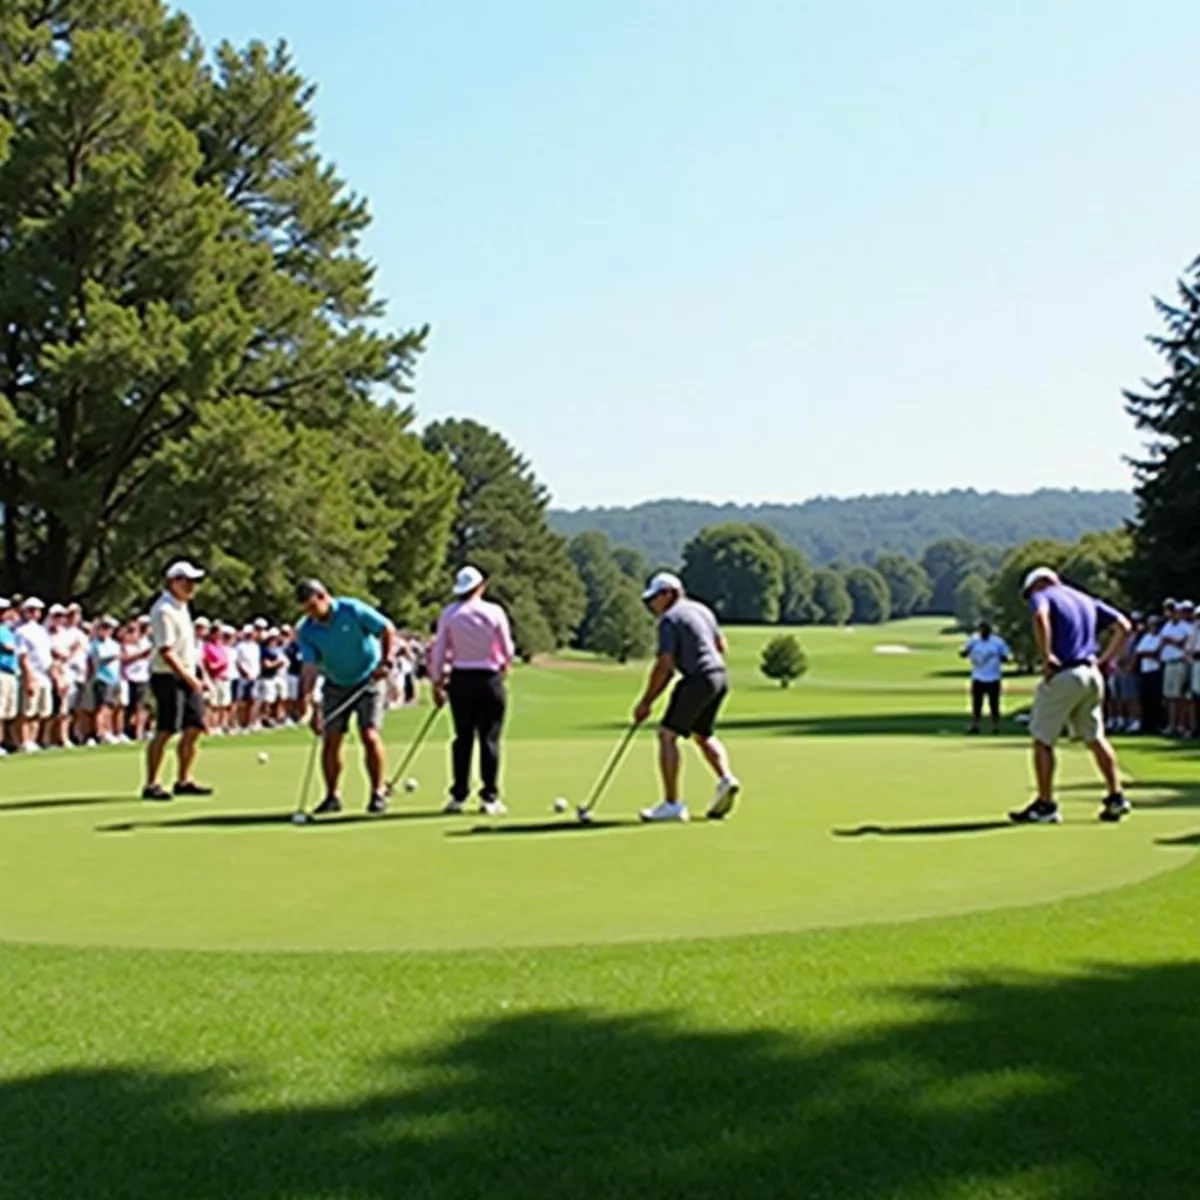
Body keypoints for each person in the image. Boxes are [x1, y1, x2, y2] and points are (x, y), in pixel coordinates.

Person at [1009, 567, 1131, 825]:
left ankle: (1046, 805)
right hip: (1091, 674)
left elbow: (1040, 618)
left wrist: (1046, 656)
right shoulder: (1085, 598)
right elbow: (1124, 627)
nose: (1031, 597)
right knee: (1095, 737)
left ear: (1040, 583)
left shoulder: (1043, 595)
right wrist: (1106, 660)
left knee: (1042, 738)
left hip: (1065, 673)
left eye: (1030, 591)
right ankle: (1116, 796)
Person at [633, 573, 740, 822]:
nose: (651, 605)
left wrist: (646, 702)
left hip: (698, 678)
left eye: (653, 599)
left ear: (668, 594)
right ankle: (726, 779)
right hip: (720, 676)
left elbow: (665, 666)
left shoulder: (669, 620)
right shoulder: (702, 610)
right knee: (702, 734)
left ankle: (672, 805)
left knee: (667, 735)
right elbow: (721, 646)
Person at [295, 579, 396, 816]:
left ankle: (378, 792)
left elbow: (386, 629)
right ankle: (332, 796)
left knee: (369, 735)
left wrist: (386, 662)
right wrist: (308, 700)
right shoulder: (306, 630)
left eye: (312, 607)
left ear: (324, 596)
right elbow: (310, 667)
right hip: (336, 683)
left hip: (368, 679)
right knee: (331, 739)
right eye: (305, 610)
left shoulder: (351, 609)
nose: (310, 614)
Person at [429, 566, 515, 817]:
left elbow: (440, 649)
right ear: (481, 587)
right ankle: (489, 797)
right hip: (489, 678)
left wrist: (437, 681)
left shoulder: (449, 613)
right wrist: (505, 664)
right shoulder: (494, 611)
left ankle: (458, 795)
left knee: (462, 738)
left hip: (460, 679)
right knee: (489, 738)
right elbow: (507, 648)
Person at [142, 561, 211, 801]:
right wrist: (189, 677)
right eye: (187, 581)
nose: (193, 586)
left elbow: (188, 648)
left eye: (195, 582)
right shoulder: (163, 610)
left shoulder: (183, 608)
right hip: (167, 677)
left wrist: (200, 674)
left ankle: (184, 779)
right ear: (173, 582)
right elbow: (166, 651)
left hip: (188, 674)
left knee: (195, 727)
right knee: (165, 729)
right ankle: (151, 783)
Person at [15, 597, 53, 752]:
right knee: (28, 710)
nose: (34, 613)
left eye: (37, 610)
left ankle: (33, 739)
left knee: (41, 711)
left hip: (45, 674)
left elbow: (47, 655)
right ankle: (25, 741)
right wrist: (28, 678)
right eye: (31, 610)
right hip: (32, 672)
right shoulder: (22, 631)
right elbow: (23, 656)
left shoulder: (42, 631)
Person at [959, 620, 1011, 734]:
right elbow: (963, 653)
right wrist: (966, 652)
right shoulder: (974, 640)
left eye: (985, 630)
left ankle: (996, 727)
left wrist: (1003, 657)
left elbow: (1007, 656)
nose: (983, 633)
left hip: (993, 677)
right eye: (981, 630)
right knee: (976, 704)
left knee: (994, 704)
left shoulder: (997, 642)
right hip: (978, 677)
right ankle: (975, 726)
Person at [87, 616, 123, 744]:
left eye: (108, 628)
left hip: (114, 678)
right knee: (102, 707)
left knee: (111, 707)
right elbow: (99, 659)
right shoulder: (95, 644)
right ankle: (100, 733)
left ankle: (108, 731)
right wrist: (114, 657)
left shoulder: (114, 644)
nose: (105, 630)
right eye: (103, 627)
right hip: (102, 677)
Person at [1158, 599, 1192, 736]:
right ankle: (1172, 725)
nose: (1171, 614)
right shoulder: (1167, 626)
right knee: (1170, 697)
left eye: (1174, 611)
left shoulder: (1186, 627)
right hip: (1168, 663)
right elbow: (1161, 643)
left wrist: (1171, 641)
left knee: (1180, 696)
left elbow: (1186, 645)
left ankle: (1181, 725)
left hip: (1180, 662)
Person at [122, 615, 153, 741]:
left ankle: (139, 732)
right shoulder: (126, 641)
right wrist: (141, 655)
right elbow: (124, 659)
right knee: (128, 707)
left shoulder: (147, 641)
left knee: (142, 706)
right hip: (129, 677)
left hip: (143, 677)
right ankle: (125, 731)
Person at [1133, 614, 1164, 735]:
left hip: (1155, 670)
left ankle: (1156, 724)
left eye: (1155, 625)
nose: (1153, 627)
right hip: (1145, 670)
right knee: (1145, 698)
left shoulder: (1160, 637)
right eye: (1151, 625)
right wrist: (1147, 653)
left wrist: (1147, 653)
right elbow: (1139, 652)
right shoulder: (1146, 637)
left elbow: (1156, 653)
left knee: (1155, 699)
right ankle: (1146, 724)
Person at [0, 598, 18, 754]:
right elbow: (9, 648)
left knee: (7, 712)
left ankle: (6, 741)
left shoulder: (7, 630)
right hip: (1, 671)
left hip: (10, 673)